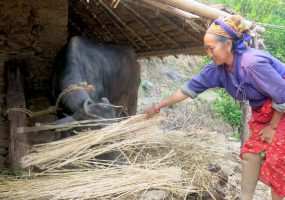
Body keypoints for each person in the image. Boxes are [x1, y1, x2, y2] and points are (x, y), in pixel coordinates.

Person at [144, 15, 285, 200]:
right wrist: (157, 106)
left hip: (280, 107)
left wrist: (273, 128)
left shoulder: (252, 63)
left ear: (227, 45)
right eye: (206, 49)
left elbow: (282, 96)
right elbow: (188, 89)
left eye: (212, 48)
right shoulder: (217, 69)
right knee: (250, 153)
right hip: (264, 111)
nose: (209, 53)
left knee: (278, 158)